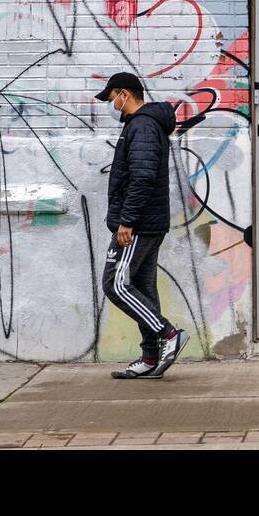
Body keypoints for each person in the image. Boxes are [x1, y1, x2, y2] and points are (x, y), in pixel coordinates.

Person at [95, 72, 188, 379]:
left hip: (139, 223)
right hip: (148, 222)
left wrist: (127, 221)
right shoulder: (142, 125)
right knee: (143, 288)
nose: (113, 105)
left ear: (125, 93)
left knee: (116, 284)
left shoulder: (143, 126)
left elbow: (143, 177)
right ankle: (150, 358)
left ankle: (168, 335)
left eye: (112, 98)